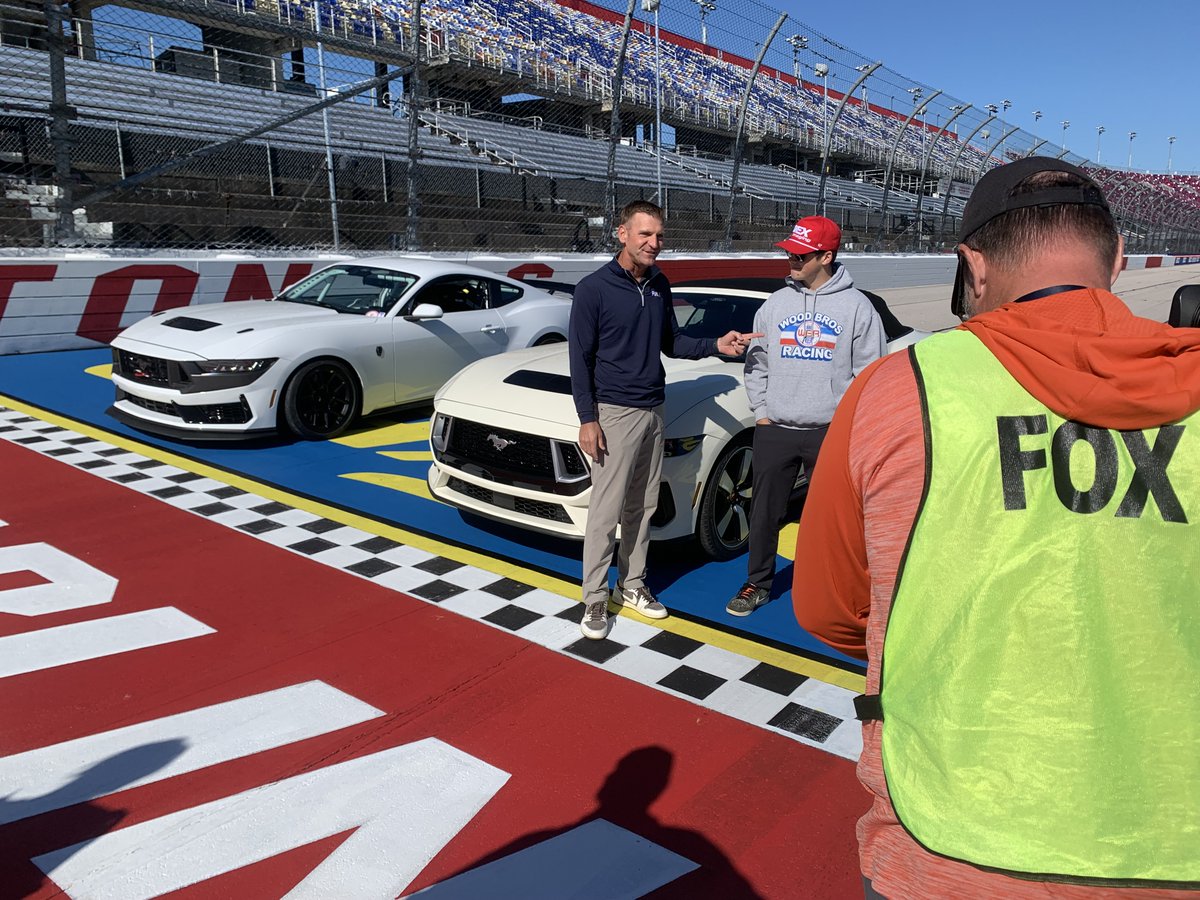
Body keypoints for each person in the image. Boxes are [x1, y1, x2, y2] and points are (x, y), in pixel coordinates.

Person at [793, 157, 1200, 898]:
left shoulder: (896, 390)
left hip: (945, 843)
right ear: (1114, 259)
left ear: (972, 267)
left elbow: (827, 607)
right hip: (1173, 851)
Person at [569, 200, 760, 640]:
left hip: (655, 408)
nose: (654, 244)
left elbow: (672, 343)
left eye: (659, 236)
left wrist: (717, 343)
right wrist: (588, 418)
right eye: (644, 235)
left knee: (643, 506)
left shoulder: (658, 284)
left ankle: (631, 585)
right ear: (622, 234)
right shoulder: (593, 289)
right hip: (614, 414)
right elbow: (579, 359)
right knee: (605, 510)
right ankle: (595, 598)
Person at [726, 216, 885, 617]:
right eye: (789, 252)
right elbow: (756, 364)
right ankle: (757, 583)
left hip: (829, 432)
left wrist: (846, 425)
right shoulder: (775, 304)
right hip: (775, 428)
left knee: (834, 519)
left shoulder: (857, 307)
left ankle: (831, 588)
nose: (790, 260)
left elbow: (869, 376)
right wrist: (762, 412)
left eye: (799, 254)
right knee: (763, 514)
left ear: (826, 256)